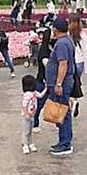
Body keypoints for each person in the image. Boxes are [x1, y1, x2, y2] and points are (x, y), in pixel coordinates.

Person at [46, 17, 76, 155]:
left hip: (61, 84)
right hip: (62, 82)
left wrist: (58, 83)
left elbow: (63, 64)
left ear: (55, 29)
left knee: (62, 111)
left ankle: (65, 143)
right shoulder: (66, 40)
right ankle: (63, 141)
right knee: (63, 111)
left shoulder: (62, 43)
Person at [32, 27, 52, 132]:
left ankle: (58, 123)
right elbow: (47, 64)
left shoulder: (51, 47)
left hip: (50, 81)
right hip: (42, 81)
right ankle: (35, 124)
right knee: (39, 103)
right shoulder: (44, 50)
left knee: (55, 102)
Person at [21, 75, 45, 154]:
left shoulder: (34, 93)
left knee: (30, 131)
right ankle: (25, 144)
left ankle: (30, 143)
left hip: (32, 115)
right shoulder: (27, 94)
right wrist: (26, 114)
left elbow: (41, 95)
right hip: (27, 116)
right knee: (26, 131)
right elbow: (24, 105)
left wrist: (46, 89)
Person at [68, 13, 86, 117]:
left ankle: (72, 101)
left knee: (70, 84)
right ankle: (74, 100)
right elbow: (85, 50)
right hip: (80, 63)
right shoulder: (82, 34)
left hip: (71, 62)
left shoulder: (67, 34)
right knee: (76, 82)